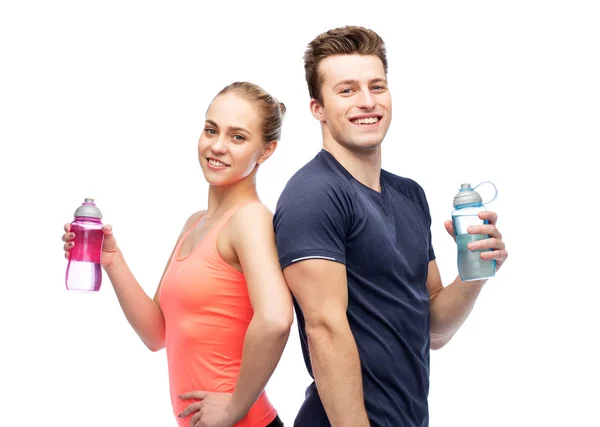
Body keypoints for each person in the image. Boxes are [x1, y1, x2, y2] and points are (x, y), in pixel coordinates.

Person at [273, 26, 509, 427]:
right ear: (318, 108)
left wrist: (474, 274)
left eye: (376, 87)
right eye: (347, 91)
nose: (367, 102)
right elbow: (325, 331)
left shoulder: (410, 195)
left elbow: (433, 329)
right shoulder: (314, 194)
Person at [62, 82, 292, 427]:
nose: (217, 146)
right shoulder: (196, 223)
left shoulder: (249, 219)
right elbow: (157, 334)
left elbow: (275, 320)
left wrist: (233, 409)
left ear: (267, 150)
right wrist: (112, 259)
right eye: (211, 130)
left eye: (238, 137)